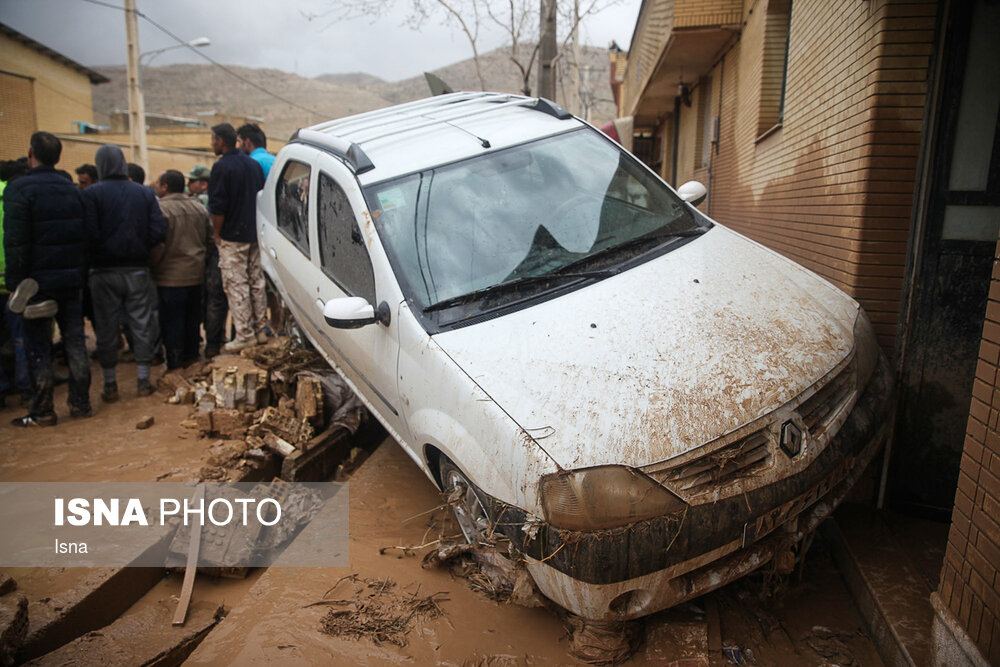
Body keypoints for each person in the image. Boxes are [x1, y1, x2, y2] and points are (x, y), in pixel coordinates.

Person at [3, 132, 92, 425]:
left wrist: (18, 286)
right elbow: (85, 237)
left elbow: (15, 243)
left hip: (36, 285)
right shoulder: (73, 191)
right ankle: (80, 404)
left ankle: (42, 411)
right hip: (71, 281)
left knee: (37, 346)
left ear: (31, 153)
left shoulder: (19, 190)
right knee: (75, 340)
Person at [82, 144, 166, 401]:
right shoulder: (144, 194)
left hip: (102, 272)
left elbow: (87, 233)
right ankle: (143, 380)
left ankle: (110, 384)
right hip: (137, 269)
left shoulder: (91, 195)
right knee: (141, 323)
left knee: (106, 327)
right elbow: (158, 232)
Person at [208, 123, 266, 352]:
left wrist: (216, 233)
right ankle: (261, 330)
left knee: (236, 284)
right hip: (254, 233)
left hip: (233, 236)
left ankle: (244, 333)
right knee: (256, 281)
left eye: (213, 139)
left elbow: (217, 206)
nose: (212, 143)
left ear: (221, 141)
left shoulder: (222, 167)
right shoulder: (253, 165)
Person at [151, 170, 211, 369]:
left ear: (165, 187)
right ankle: (192, 357)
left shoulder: (159, 209)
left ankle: (175, 363)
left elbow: (157, 244)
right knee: (192, 319)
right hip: (195, 274)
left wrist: (154, 265)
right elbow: (210, 240)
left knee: (172, 321)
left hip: (169, 277)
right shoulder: (199, 209)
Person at [0, 159, 32, 407]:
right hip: (18, 280)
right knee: (22, 337)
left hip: (13, 277)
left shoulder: (16, 196)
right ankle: (27, 388)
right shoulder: (22, 196)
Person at [188, 165, 227, 357]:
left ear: (203, 184)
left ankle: (210, 344)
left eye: (192, 181)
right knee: (218, 300)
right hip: (214, 253)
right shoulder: (214, 199)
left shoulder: (201, 202)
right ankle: (217, 339)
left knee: (211, 300)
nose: (189, 185)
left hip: (206, 255)